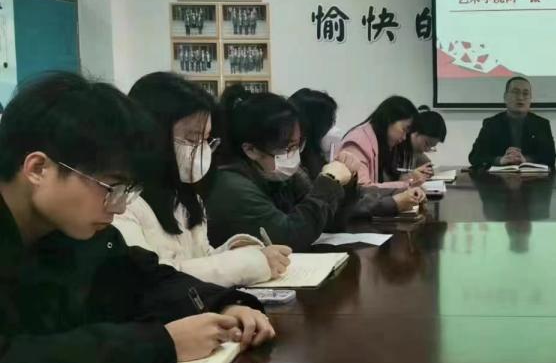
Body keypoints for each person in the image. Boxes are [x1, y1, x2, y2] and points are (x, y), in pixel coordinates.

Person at [0, 73, 272, 363]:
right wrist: (161, 344)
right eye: (110, 187)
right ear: (39, 168)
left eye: (126, 190)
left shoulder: (75, 231)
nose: (119, 207)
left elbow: (143, 278)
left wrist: (224, 305)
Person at [113, 73, 292, 287]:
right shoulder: (121, 204)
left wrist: (234, 250)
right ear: (151, 136)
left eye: (206, 140)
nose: (203, 150)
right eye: (192, 139)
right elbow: (157, 279)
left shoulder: (186, 196)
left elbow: (200, 258)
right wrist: (249, 263)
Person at [205, 85, 359, 251]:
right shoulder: (231, 186)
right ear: (251, 150)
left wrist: (345, 179)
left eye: (297, 145)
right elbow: (289, 237)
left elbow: (327, 223)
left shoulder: (278, 174)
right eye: (287, 147)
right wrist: (329, 181)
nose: (293, 155)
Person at [290, 88, 424, 220]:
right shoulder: (358, 142)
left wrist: (405, 183)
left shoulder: (315, 158)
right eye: (329, 124)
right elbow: (339, 204)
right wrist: (396, 200)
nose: (334, 132)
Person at [335, 95, 432, 187]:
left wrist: (410, 178)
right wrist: (406, 185)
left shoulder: (381, 143)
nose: (404, 138)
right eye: (404, 129)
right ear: (389, 119)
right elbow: (363, 189)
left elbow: (384, 183)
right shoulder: (358, 143)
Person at [468, 77, 556, 168]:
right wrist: (500, 160)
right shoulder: (491, 124)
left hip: (531, 176)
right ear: (505, 97)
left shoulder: (541, 124)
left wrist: (525, 160)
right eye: (515, 92)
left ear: (530, 99)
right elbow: (475, 157)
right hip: (498, 176)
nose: (520, 97)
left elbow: (550, 158)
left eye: (525, 93)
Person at [397, 106, 447, 171]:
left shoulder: (415, 152)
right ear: (416, 131)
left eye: (431, 147)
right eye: (426, 144)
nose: (426, 149)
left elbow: (426, 163)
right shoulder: (395, 145)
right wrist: (411, 175)